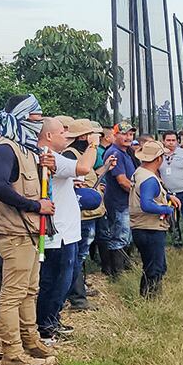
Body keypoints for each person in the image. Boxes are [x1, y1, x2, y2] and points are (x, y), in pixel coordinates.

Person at [0, 94, 57, 365]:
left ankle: (30, 340)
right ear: (22, 116)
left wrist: (47, 170)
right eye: (35, 115)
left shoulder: (27, 148)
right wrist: (35, 205)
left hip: (30, 232)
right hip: (15, 233)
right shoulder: (6, 148)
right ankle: (12, 352)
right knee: (13, 294)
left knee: (30, 290)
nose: (39, 120)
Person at [36, 118, 97, 340]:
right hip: (58, 233)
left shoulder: (51, 156)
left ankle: (51, 320)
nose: (66, 138)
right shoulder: (49, 156)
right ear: (50, 136)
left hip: (65, 231)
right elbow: (84, 167)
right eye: (63, 133)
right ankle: (46, 325)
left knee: (64, 280)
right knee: (55, 281)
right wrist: (93, 145)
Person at [66, 121, 115, 311]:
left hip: (90, 212)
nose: (98, 139)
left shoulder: (80, 154)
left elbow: (90, 176)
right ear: (84, 137)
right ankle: (77, 297)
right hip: (82, 215)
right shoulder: (72, 154)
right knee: (78, 255)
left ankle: (80, 289)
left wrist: (106, 168)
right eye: (94, 135)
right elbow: (79, 177)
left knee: (80, 255)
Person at [129, 140, 180, 297]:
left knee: (152, 265)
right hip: (150, 228)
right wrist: (166, 208)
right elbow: (147, 204)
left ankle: (148, 297)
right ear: (159, 159)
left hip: (141, 227)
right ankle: (151, 299)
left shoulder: (140, 172)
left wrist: (167, 196)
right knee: (155, 268)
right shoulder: (150, 179)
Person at [101, 121, 138, 277]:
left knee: (126, 236)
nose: (128, 137)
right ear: (115, 135)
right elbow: (122, 181)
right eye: (124, 134)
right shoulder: (114, 153)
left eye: (130, 134)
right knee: (119, 236)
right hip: (118, 202)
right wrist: (139, 194)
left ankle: (122, 267)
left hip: (125, 202)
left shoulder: (126, 153)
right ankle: (117, 273)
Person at [160, 130, 183, 250]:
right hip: (167, 193)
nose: (171, 143)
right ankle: (177, 244)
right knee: (172, 220)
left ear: (177, 141)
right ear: (163, 141)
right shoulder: (159, 155)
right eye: (168, 140)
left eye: (173, 140)